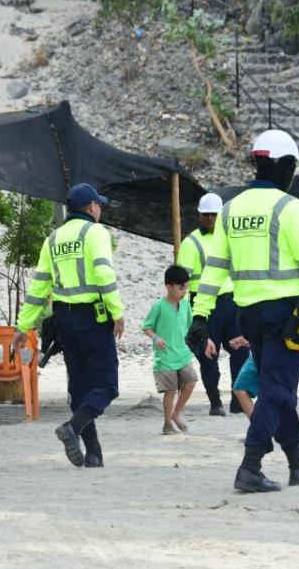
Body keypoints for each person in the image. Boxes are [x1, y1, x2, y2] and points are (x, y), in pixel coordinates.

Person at [187, 130, 299, 494]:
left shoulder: (231, 210)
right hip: (286, 316)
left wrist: (200, 316)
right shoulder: (290, 208)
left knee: (276, 386)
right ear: (285, 166)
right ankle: (250, 466)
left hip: (250, 316)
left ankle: (298, 464)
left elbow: (214, 270)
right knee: (277, 391)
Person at [15, 183, 124, 469]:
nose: (100, 209)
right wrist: (117, 312)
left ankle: (94, 453)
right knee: (107, 386)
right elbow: (103, 272)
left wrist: (23, 325)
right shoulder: (96, 232)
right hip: (92, 318)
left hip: (63, 321)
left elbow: (39, 285)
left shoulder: (53, 239)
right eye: (99, 204)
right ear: (91, 207)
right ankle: (72, 428)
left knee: (80, 388)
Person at [178, 193, 249, 415]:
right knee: (208, 355)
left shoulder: (232, 239)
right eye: (206, 215)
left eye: (214, 215)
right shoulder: (191, 243)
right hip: (205, 305)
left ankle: (239, 399)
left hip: (232, 302)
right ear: (199, 216)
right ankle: (215, 403)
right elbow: (182, 280)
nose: (210, 219)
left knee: (240, 350)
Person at [142, 265, 198, 435]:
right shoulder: (158, 306)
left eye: (187, 288)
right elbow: (147, 327)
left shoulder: (186, 305)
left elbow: (191, 326)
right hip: (164, 357)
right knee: (170, 390)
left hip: (183, 354)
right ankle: (167, 424)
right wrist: (156, 338)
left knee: (191, 382)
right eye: (181, 288)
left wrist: (203, 340)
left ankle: (176, 413)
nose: (185, 291)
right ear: (168, 286)